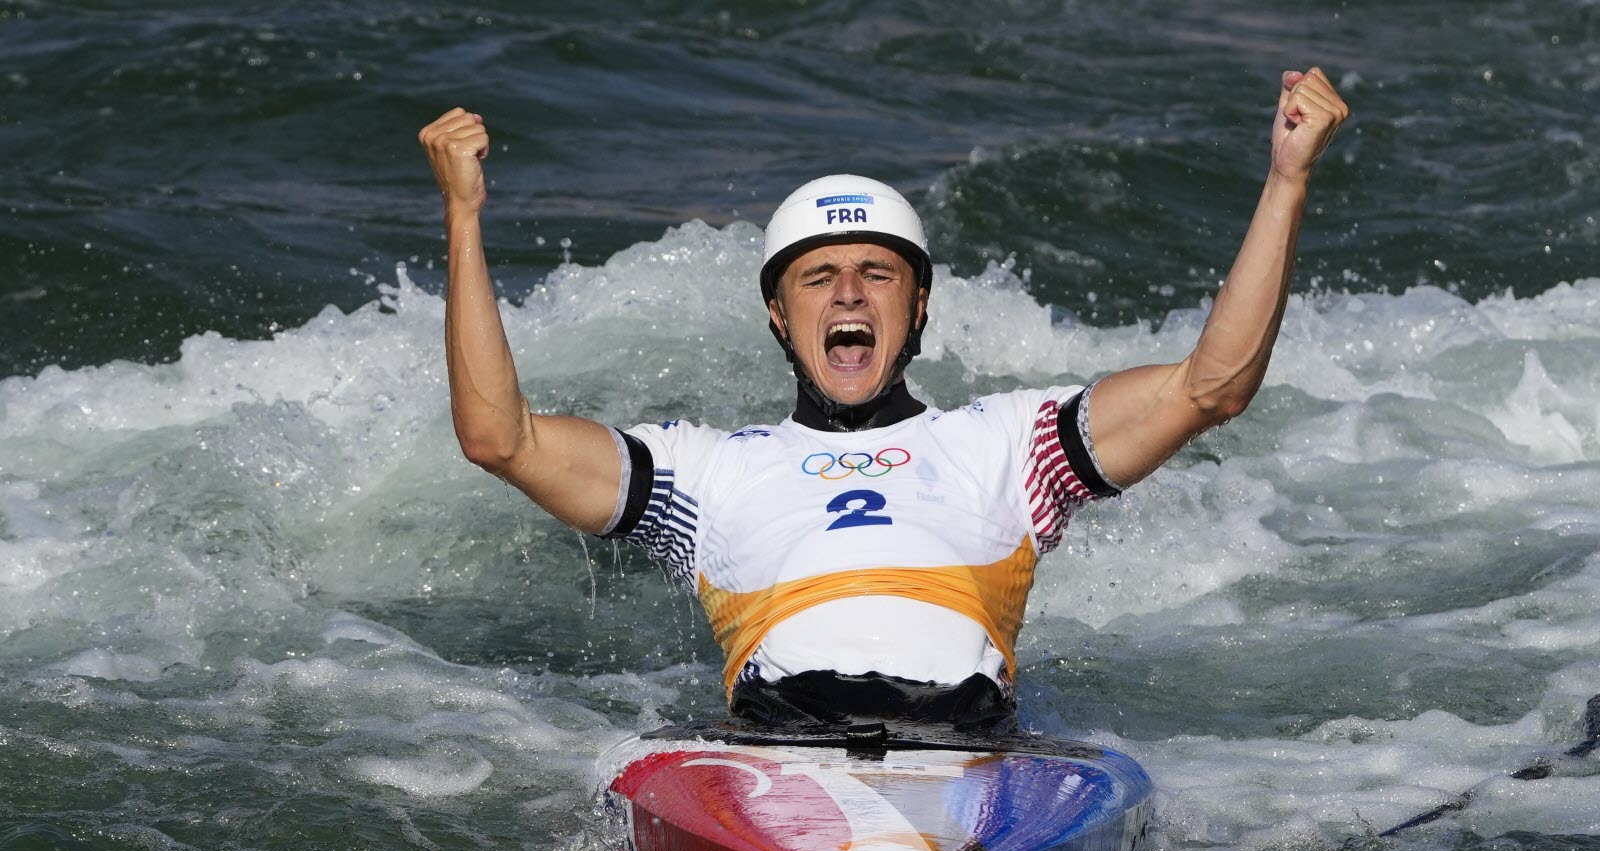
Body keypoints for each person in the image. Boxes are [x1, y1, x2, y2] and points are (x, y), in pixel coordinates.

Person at [417, 70, 1349, 736]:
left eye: (877, 274)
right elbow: (500, 438)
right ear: (780, 316)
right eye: (819, 279)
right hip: (776, 743)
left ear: (921, 305)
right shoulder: (701, 473)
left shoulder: (1012, 446)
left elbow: (1211, 387)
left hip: (970, 741)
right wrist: (463, 215)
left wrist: (1288, 177)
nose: (850, 296)